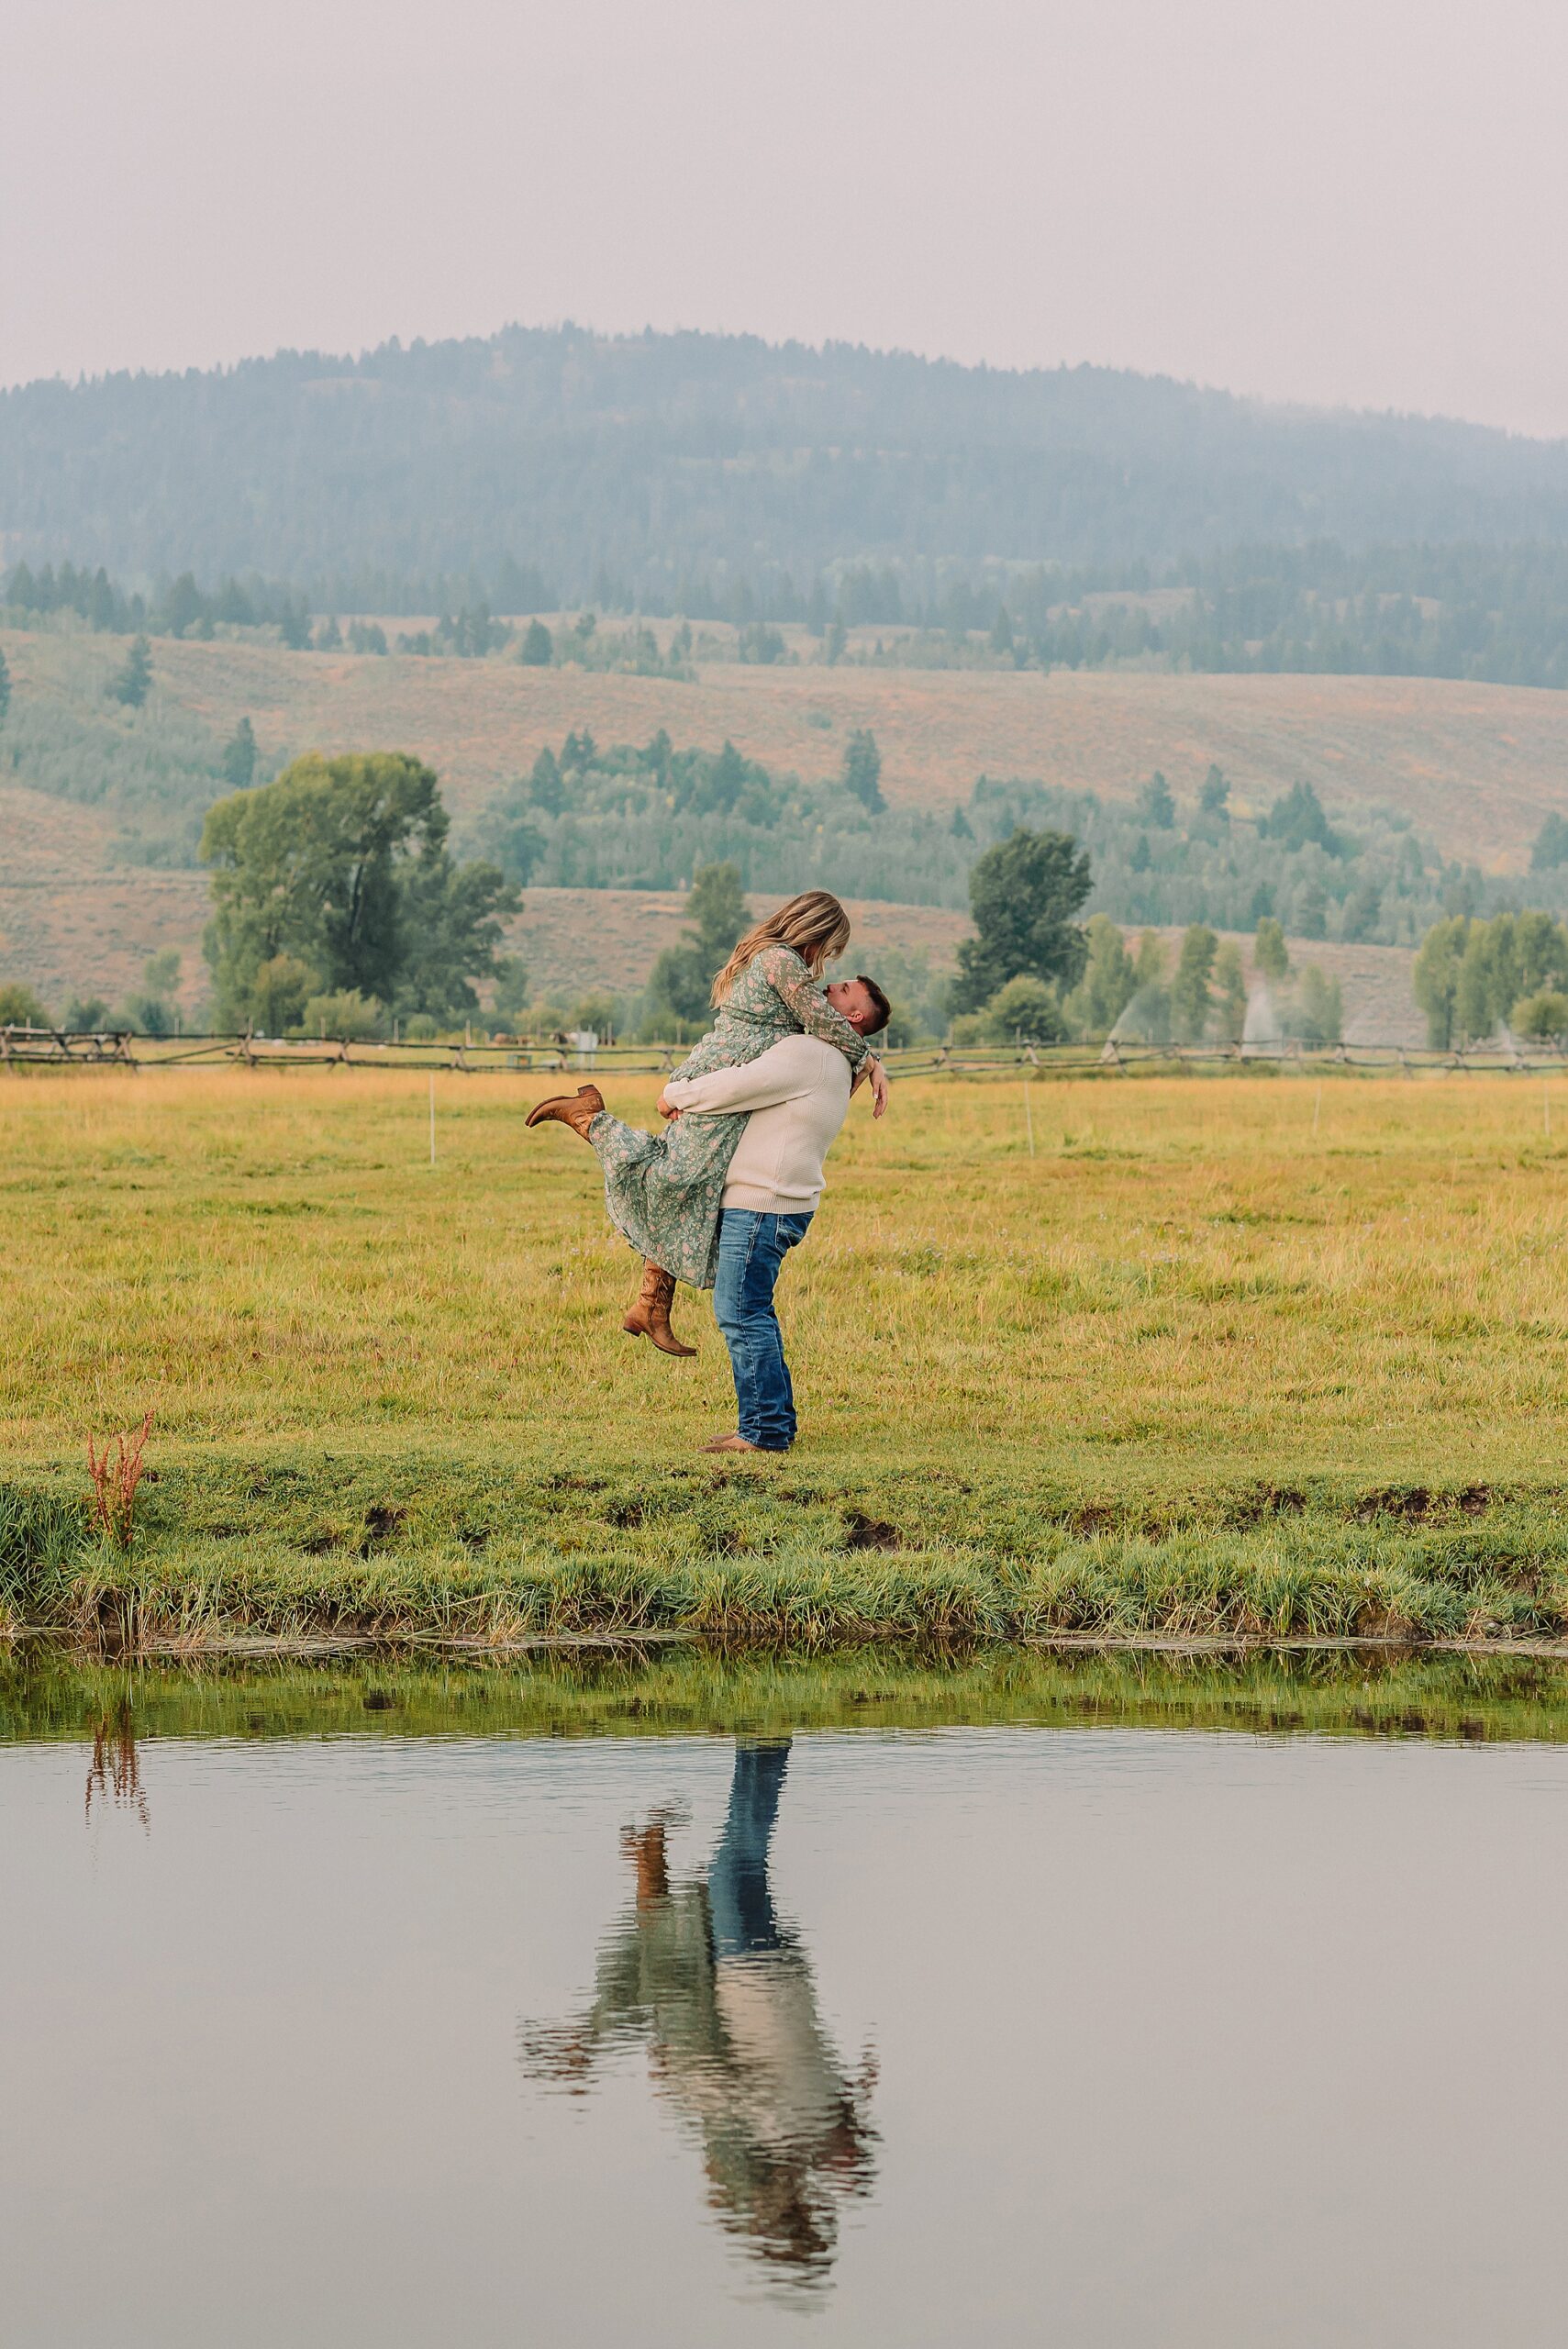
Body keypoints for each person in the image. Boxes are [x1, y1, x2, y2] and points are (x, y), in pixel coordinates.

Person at [519, 1739, 878, 2284]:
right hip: (755, 1978)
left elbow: (741, 2114)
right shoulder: (786, 2133)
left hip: (759, 1978)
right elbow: (734, 2097)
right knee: (739, 1862)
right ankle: (764, 1742)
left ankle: (761, 1742)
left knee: (741, 1863)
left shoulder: (788, 2141)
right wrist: (677, 2076)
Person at [526, 892, 888, 1354]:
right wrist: (868, 1056)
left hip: (733, 1068)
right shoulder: (781, 962)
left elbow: (821, 1024)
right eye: (830, 948)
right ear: (816, 932)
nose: (828, 969)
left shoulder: (780, 961)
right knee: (679, 1176)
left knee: (697, 1184)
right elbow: (823, 1021)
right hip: (727, 1071)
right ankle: (592, 1120)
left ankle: (652, 1306)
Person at [656, 974, 890, 1452]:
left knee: (741, 1313)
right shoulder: (834, 1061)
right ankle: (770, 1424)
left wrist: (675, 1095)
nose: (827, 987)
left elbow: (741, 1085)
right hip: (779, 1202)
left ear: (854, 1017)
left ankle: (764, 1434)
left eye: (844, 989)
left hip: (763, 1203)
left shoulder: (811, 1054)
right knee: (750, 1310)